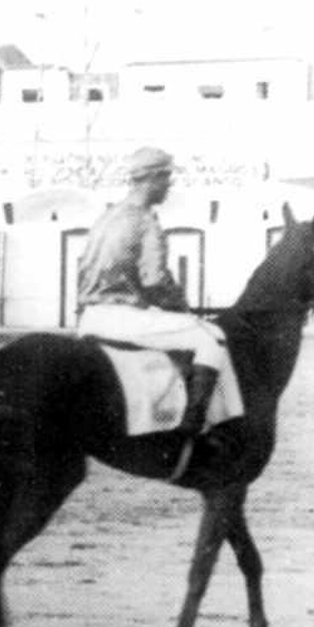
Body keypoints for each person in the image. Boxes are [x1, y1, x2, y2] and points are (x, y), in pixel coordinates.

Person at [75, 146, 225, 441]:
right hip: (121, 317)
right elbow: (154, 281)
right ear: (152, 179)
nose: (169, 185)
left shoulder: (107, 217)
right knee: (210, 338)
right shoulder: (146, 221)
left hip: (89, 318)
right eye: (167, 177)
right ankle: (192, 429)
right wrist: (184, 310)